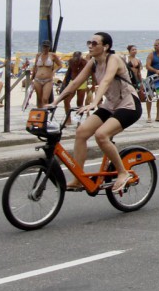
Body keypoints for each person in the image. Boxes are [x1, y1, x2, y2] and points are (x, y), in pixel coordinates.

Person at [51, 32, 141, 195]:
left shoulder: (113, 59)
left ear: (105, 47)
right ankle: (79, 179)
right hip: (110, 104)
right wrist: (55, 102)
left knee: (101, 135)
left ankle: (123, 173)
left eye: (94, 43)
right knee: (81, 132)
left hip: (128, 105)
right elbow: (76, 82)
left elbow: (106, 80)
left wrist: (93, 103)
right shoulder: (93, 62)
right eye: (89, 42)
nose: (90, 46)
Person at [60, 50, 89, 125]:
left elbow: (91, 73)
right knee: (66, 101)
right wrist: (65, 80)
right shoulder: (71, 61)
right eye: (75, 59)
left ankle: (78, 120)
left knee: (79, 103)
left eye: (78, 59)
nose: (76, 62)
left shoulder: (84, 62)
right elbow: (69, 70)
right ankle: (68, 119)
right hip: (73, 82)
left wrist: (93, 84)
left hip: (82, 83)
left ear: (80, 58)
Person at [125, 45, 150, 122]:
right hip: (128, 80)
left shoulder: (138, 60)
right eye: (133, 50)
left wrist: (141, 82)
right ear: (129, 51)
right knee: (127, 97)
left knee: (137, 97)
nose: (134, 51)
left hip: (136, 80)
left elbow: (139, 72)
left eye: (135, 49)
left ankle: (134, 112)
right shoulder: (125, 59)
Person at [30, 41, 58, 109]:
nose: (45, 48)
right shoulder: (38, 55)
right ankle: (40, 114)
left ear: (49, 47)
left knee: (45, 98)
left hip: (48, 80)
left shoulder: (52, 55)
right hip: (37, 79)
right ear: (42, 47)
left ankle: (45, 114)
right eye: (44, 46)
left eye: (47, 47)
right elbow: (35, 67)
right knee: (39, 99)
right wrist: (31, 78)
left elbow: (60, 65)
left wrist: (54, 71)